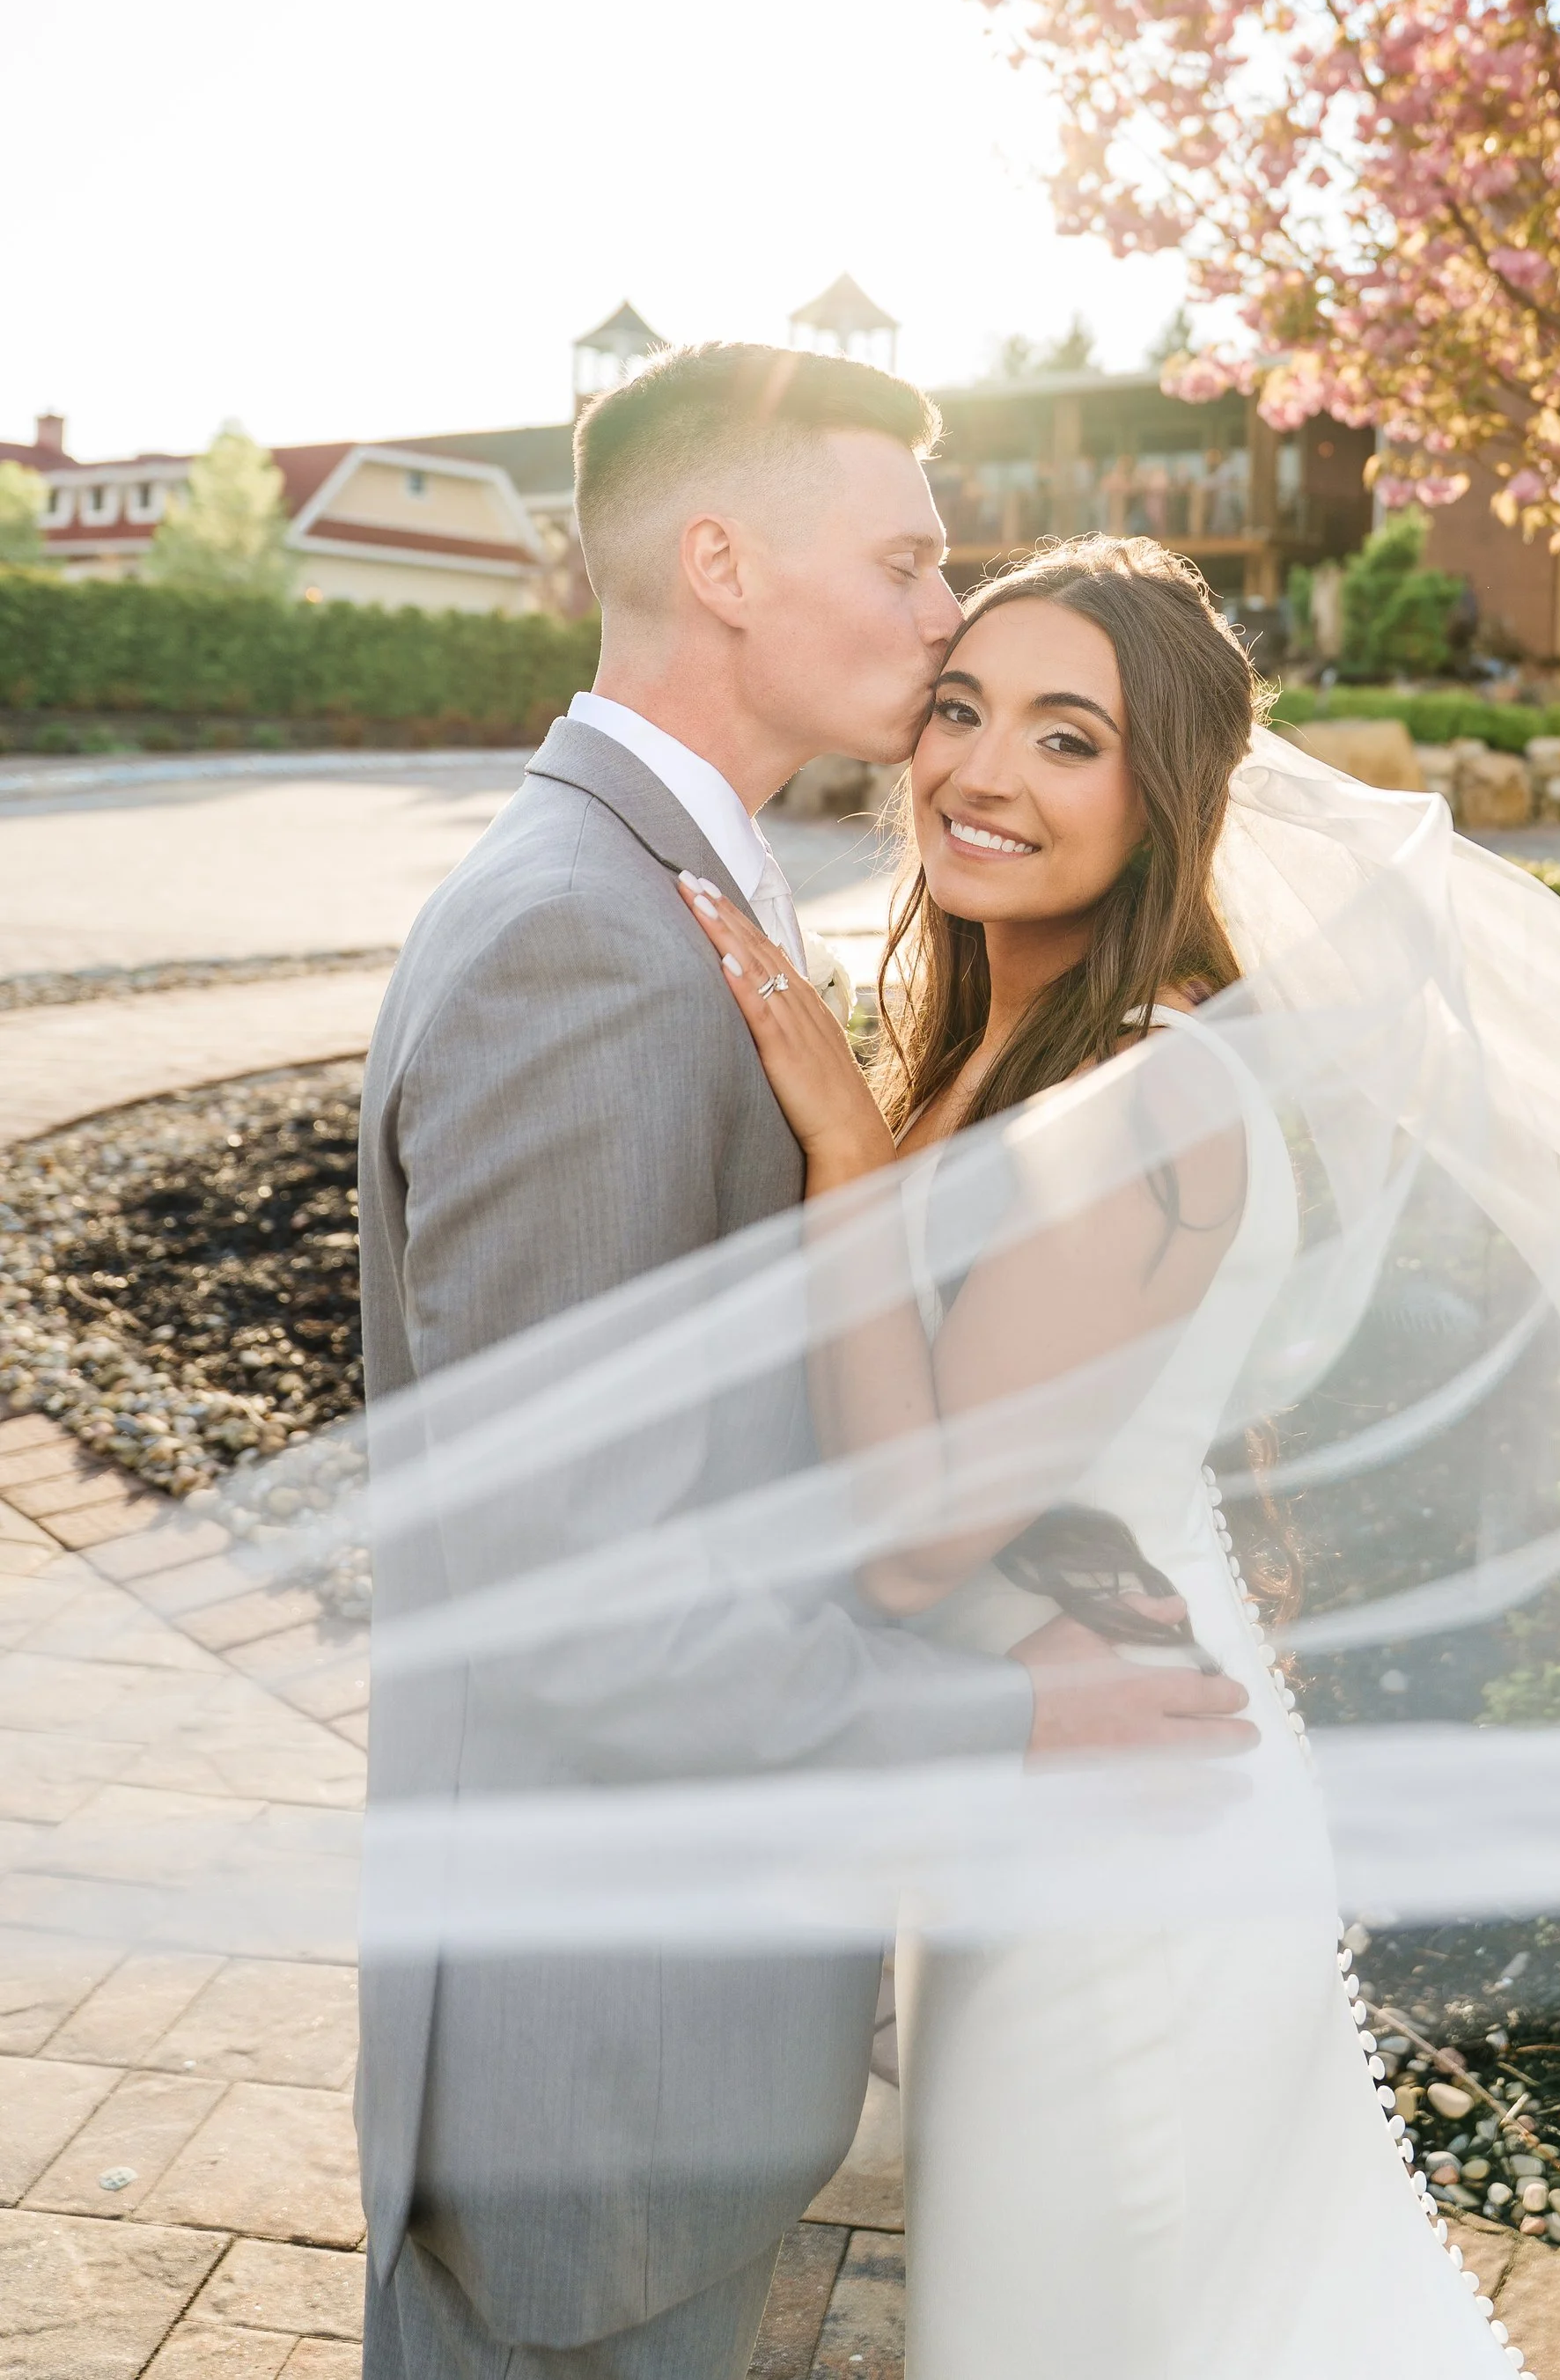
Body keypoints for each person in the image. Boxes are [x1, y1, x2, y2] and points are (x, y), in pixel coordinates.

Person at [355, 352, 1251, 2380]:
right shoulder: (583, 941)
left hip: (666, 2028)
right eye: (908, 560)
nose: (944, 613)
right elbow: (575, 1603)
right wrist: (1009, 1719)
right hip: (599, 2070)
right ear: (724, 566)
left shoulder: (679, 895)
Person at [679, 533, 1518, 2380]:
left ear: (1168, 799)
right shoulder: (995, 1043)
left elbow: (915, 1538)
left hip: (1127, 1856)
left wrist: (844, 1163)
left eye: (1067, 739)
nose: (983, 772)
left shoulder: (1153, 1092)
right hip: (1040, 1778)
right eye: (960, 711)